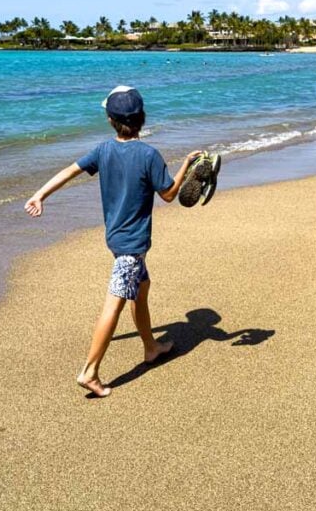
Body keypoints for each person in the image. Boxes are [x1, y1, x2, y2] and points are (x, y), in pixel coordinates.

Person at [25, 85, 201, 398]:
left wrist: (40, 194)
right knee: (115, 303)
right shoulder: (149, 155)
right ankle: (90, 371)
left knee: (141, 290)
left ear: (110, 120)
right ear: (143, 118)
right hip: (131, 247)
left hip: (117, 237)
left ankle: (151, 346)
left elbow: (69, 171)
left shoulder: (103, 150)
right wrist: (187, 164)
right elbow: (170, 194)